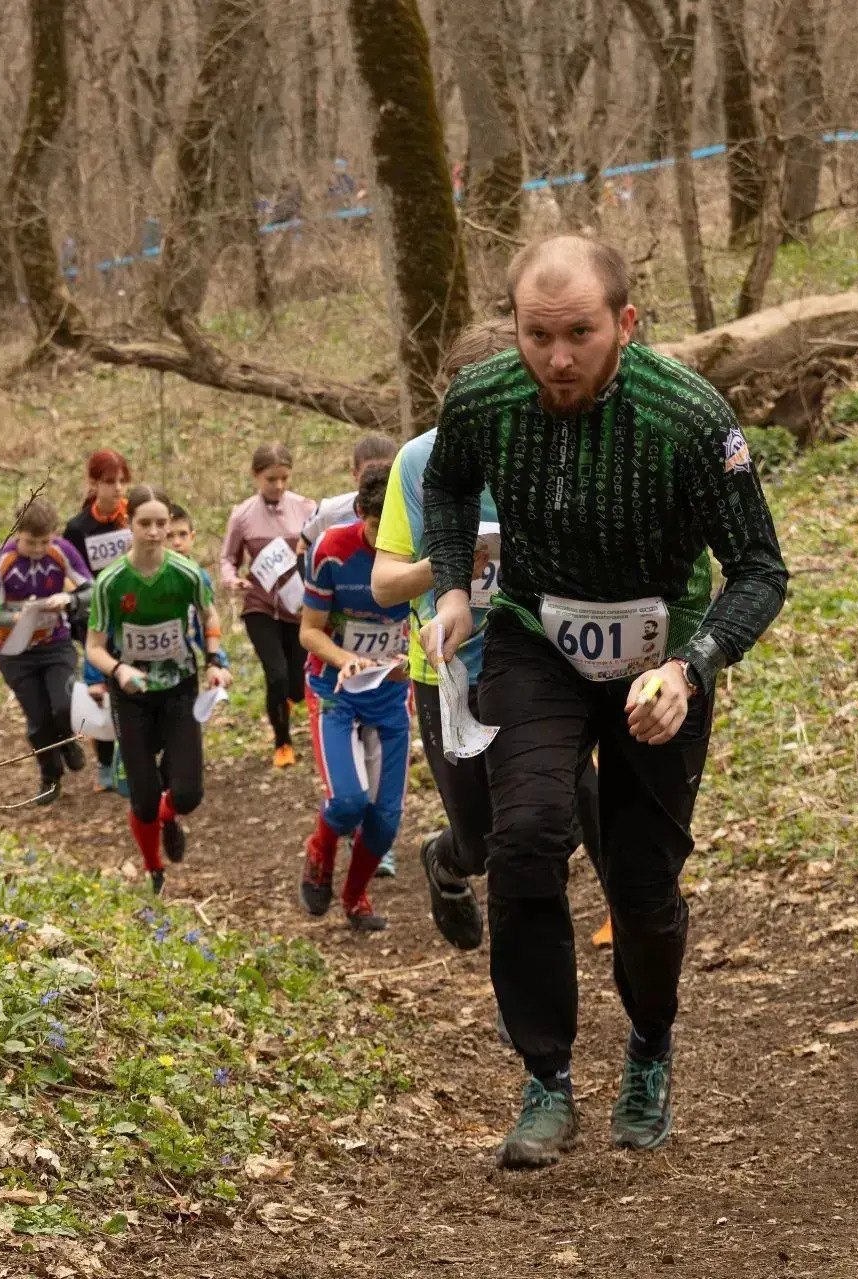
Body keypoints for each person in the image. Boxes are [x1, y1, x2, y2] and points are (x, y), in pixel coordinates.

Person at [424, 235, 789, 1166]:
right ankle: (546, 1077)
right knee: (526, 838)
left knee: (640, 882)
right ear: (513, 327)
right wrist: (453, 589)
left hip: (660, 656)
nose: (557, 358)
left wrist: (693, 667)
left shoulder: (689, 416)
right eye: (537, 335)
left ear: (625, 323)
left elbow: (760, 569)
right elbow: (448, 482)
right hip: (535, 638)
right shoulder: (483, 399)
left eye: (580, 334)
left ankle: (650, 1045)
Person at [373, 319, 609, 952]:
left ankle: (531, 968)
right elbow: (385, 585)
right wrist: (449, 564)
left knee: (547, 826)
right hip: (451, 672)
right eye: (466, 398)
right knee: (480, 843)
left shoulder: (561, 447)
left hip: (545, 666)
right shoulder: (418, 460)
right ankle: (445, 860)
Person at [85, 486, 231, 895]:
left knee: (187, 794)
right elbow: (94, 647)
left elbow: (209, 616)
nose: (154, 532)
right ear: (128, 524)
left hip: (179, 689)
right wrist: (118, 670)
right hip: (131, 697)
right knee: (144, 799)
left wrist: (214, 661)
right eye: (144, 523)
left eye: (161, 524)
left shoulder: (186, 574)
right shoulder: (110, 582)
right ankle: (154, 868)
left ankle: (170, 818)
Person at [297, 463, 410, 932]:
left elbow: (432, 620)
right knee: (347, 803)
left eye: (395, 527)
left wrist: (412, 658)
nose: (386, 541)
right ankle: (320, 851)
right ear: (361, 512)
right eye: (378, 526)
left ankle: (354, 896)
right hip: (336, 691)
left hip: (390, 695)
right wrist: (346, 659)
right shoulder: (332, 550)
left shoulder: (421, 549)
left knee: (384, 822)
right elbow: (309, 631)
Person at [0, 498, 93, 804]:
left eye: (44, 542)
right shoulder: (0, 561)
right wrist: (16, 617)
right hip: (14, 651)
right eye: (30, 542)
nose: (37, 549)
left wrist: (70, 600)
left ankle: (67, 739)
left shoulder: (61, 550)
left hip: (55, 643)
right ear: (16, 533)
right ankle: (50, 776)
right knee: (38, 719)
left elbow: (93, 587)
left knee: (64, 704)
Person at [220, 443, 316, 769]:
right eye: (271, 479)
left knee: (296, 685)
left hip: (298, 608)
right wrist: (232, 580)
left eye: (284, 478)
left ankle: (288, 701)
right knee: (276, 675)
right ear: (255, 476)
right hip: (260, 606)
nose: (278, 485)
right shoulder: (243, 514)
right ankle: (282, 743)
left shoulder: (306, 508)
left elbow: (320, 550)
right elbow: (228, 558)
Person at [63, 449, 134, 791]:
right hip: (95, 620)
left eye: (122, 481)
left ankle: (130, 755)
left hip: (133, 615)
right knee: (100, 690)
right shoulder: (78, 528)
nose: (117, 488)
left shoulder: (133, 518)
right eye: (109, 482)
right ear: (93, 484)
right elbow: (72, 573)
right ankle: (105, 763)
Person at [301, 433, 399, 549]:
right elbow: (303, 547)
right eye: (370, 473)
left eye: (387, 472)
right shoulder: (329, 512)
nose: (378, 478)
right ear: (355, 474)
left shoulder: (412, 511)